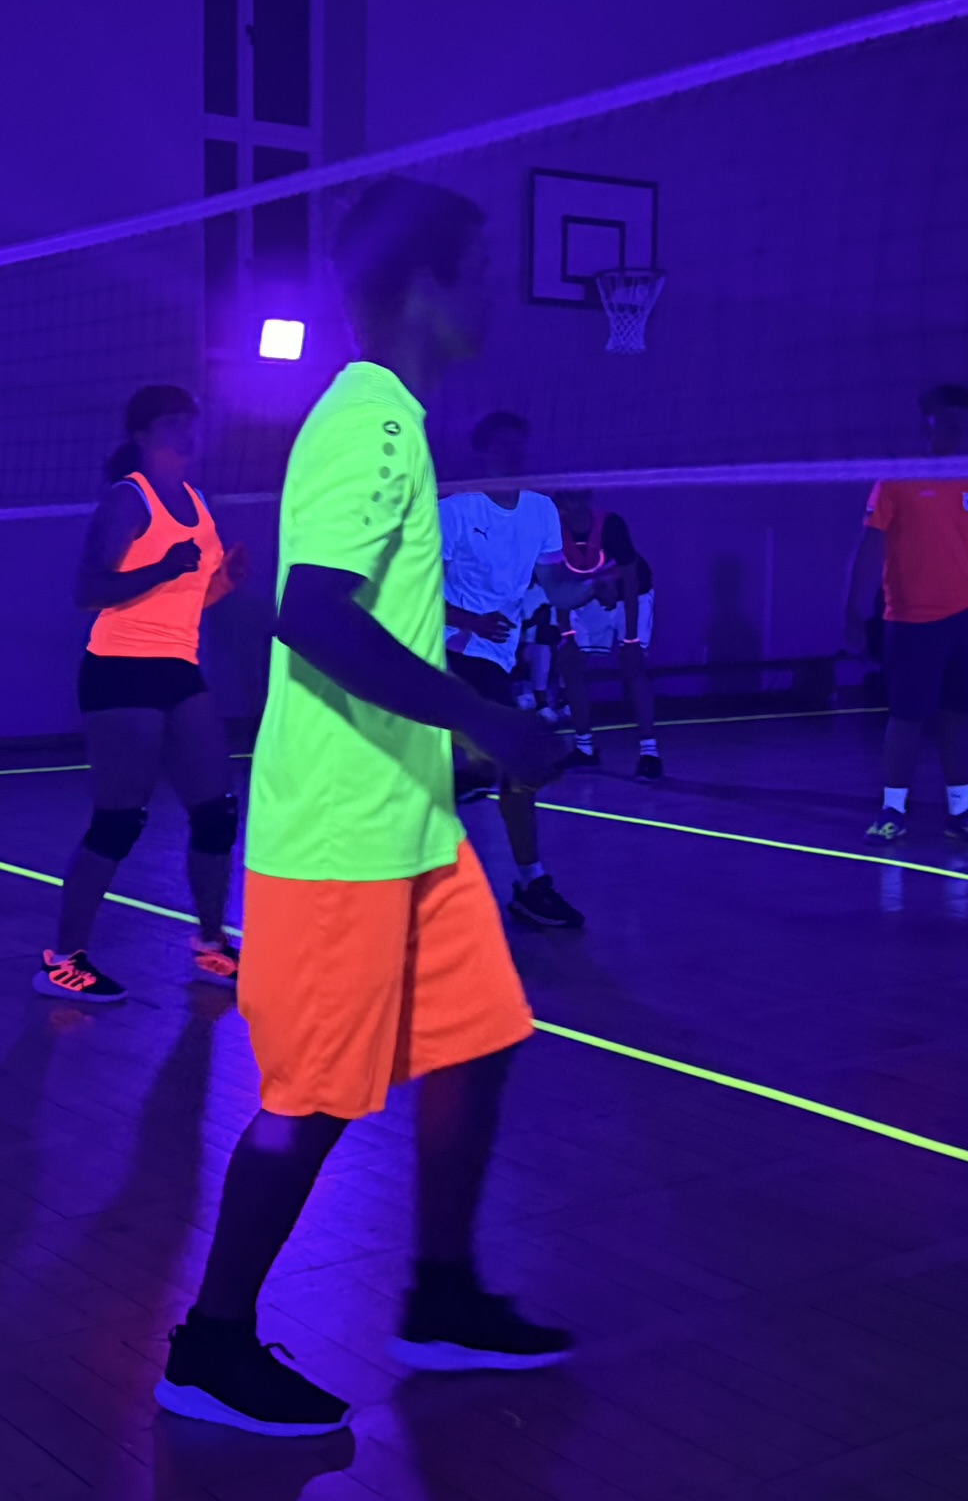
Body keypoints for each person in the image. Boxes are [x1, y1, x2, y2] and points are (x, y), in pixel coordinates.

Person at [154, 177, 571, 1439]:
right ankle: (208, 1347)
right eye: (479, 268)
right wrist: (486, 719)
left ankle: (439, 1295)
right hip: (338, 838)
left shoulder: (395, 420)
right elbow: (312, 617)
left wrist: (450, 748)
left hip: (413, 826)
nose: (493, 291)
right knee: (312, 1100)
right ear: (426, 287)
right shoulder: (369, 422)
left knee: (480, 1039)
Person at [35, 386, 245, 1005]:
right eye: (173, 421)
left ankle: (211, 945)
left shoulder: (198, 503)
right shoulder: (129, 498)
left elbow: (191, 596)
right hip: (120, 669)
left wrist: (224, 583)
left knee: (217, 812)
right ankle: (63, 963)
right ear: (142, 434)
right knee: (120, 821)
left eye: (191, 420)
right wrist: (163, 566)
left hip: (178, 665)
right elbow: (88, 590)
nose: (187, 430)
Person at [844, 384, 968, 844]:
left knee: (961, 713)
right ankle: (892, 811)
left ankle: (961, 812)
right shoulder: (896, 479)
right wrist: (853, 611)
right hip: (911, 620)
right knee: (907, 716)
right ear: (927, 420)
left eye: (963, 421)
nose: (956, 429)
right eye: (947, 420)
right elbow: (870, 546)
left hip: (967, 616)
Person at [441, 411, 588, 929]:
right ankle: (531, 884)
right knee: (521, 762)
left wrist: (594, 586)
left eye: (520, 446)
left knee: (490, 764)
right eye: (503, 446)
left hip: (498, 655)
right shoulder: (455, 511)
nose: (515, 455)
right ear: (482, 453)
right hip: (449, 651)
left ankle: (469, 776)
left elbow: (557, 587)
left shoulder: (542, 511)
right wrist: (469, 620)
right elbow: (413, 591)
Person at [568, 505, 662, 779]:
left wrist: (631, 637)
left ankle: (649, 753)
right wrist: (565, 635)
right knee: (570, 662)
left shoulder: (611, 526)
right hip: (588, 594)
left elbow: (630, 579)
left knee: (633, 665)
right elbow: (558, 584)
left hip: (633, 594)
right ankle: (584, 748)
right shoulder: (553, 529)